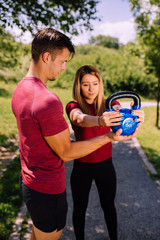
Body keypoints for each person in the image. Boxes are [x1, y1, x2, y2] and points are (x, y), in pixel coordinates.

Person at [12, 28, 141, 240]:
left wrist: (133, 116)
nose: (64, 67)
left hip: (31, 182)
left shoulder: (21, 89)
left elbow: (50, 140)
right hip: (48, 187)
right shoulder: (49, 100)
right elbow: (69, 142)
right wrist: (107, 132)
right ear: (47, 57)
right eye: (62, 61)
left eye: (95, 84)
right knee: (72, 215)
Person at [66, 65, 145, 240]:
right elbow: (79, 119)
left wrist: (136, 116)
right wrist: (101, 120)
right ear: (78, 86)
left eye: (95, 83)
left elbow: (124, 117)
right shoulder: (73, 105)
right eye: (85, 84)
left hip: (105, 166)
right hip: (81, 167)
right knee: (79, 208)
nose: (91, 88)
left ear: (100, 84)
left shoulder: (111, 104)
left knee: (108, 205)